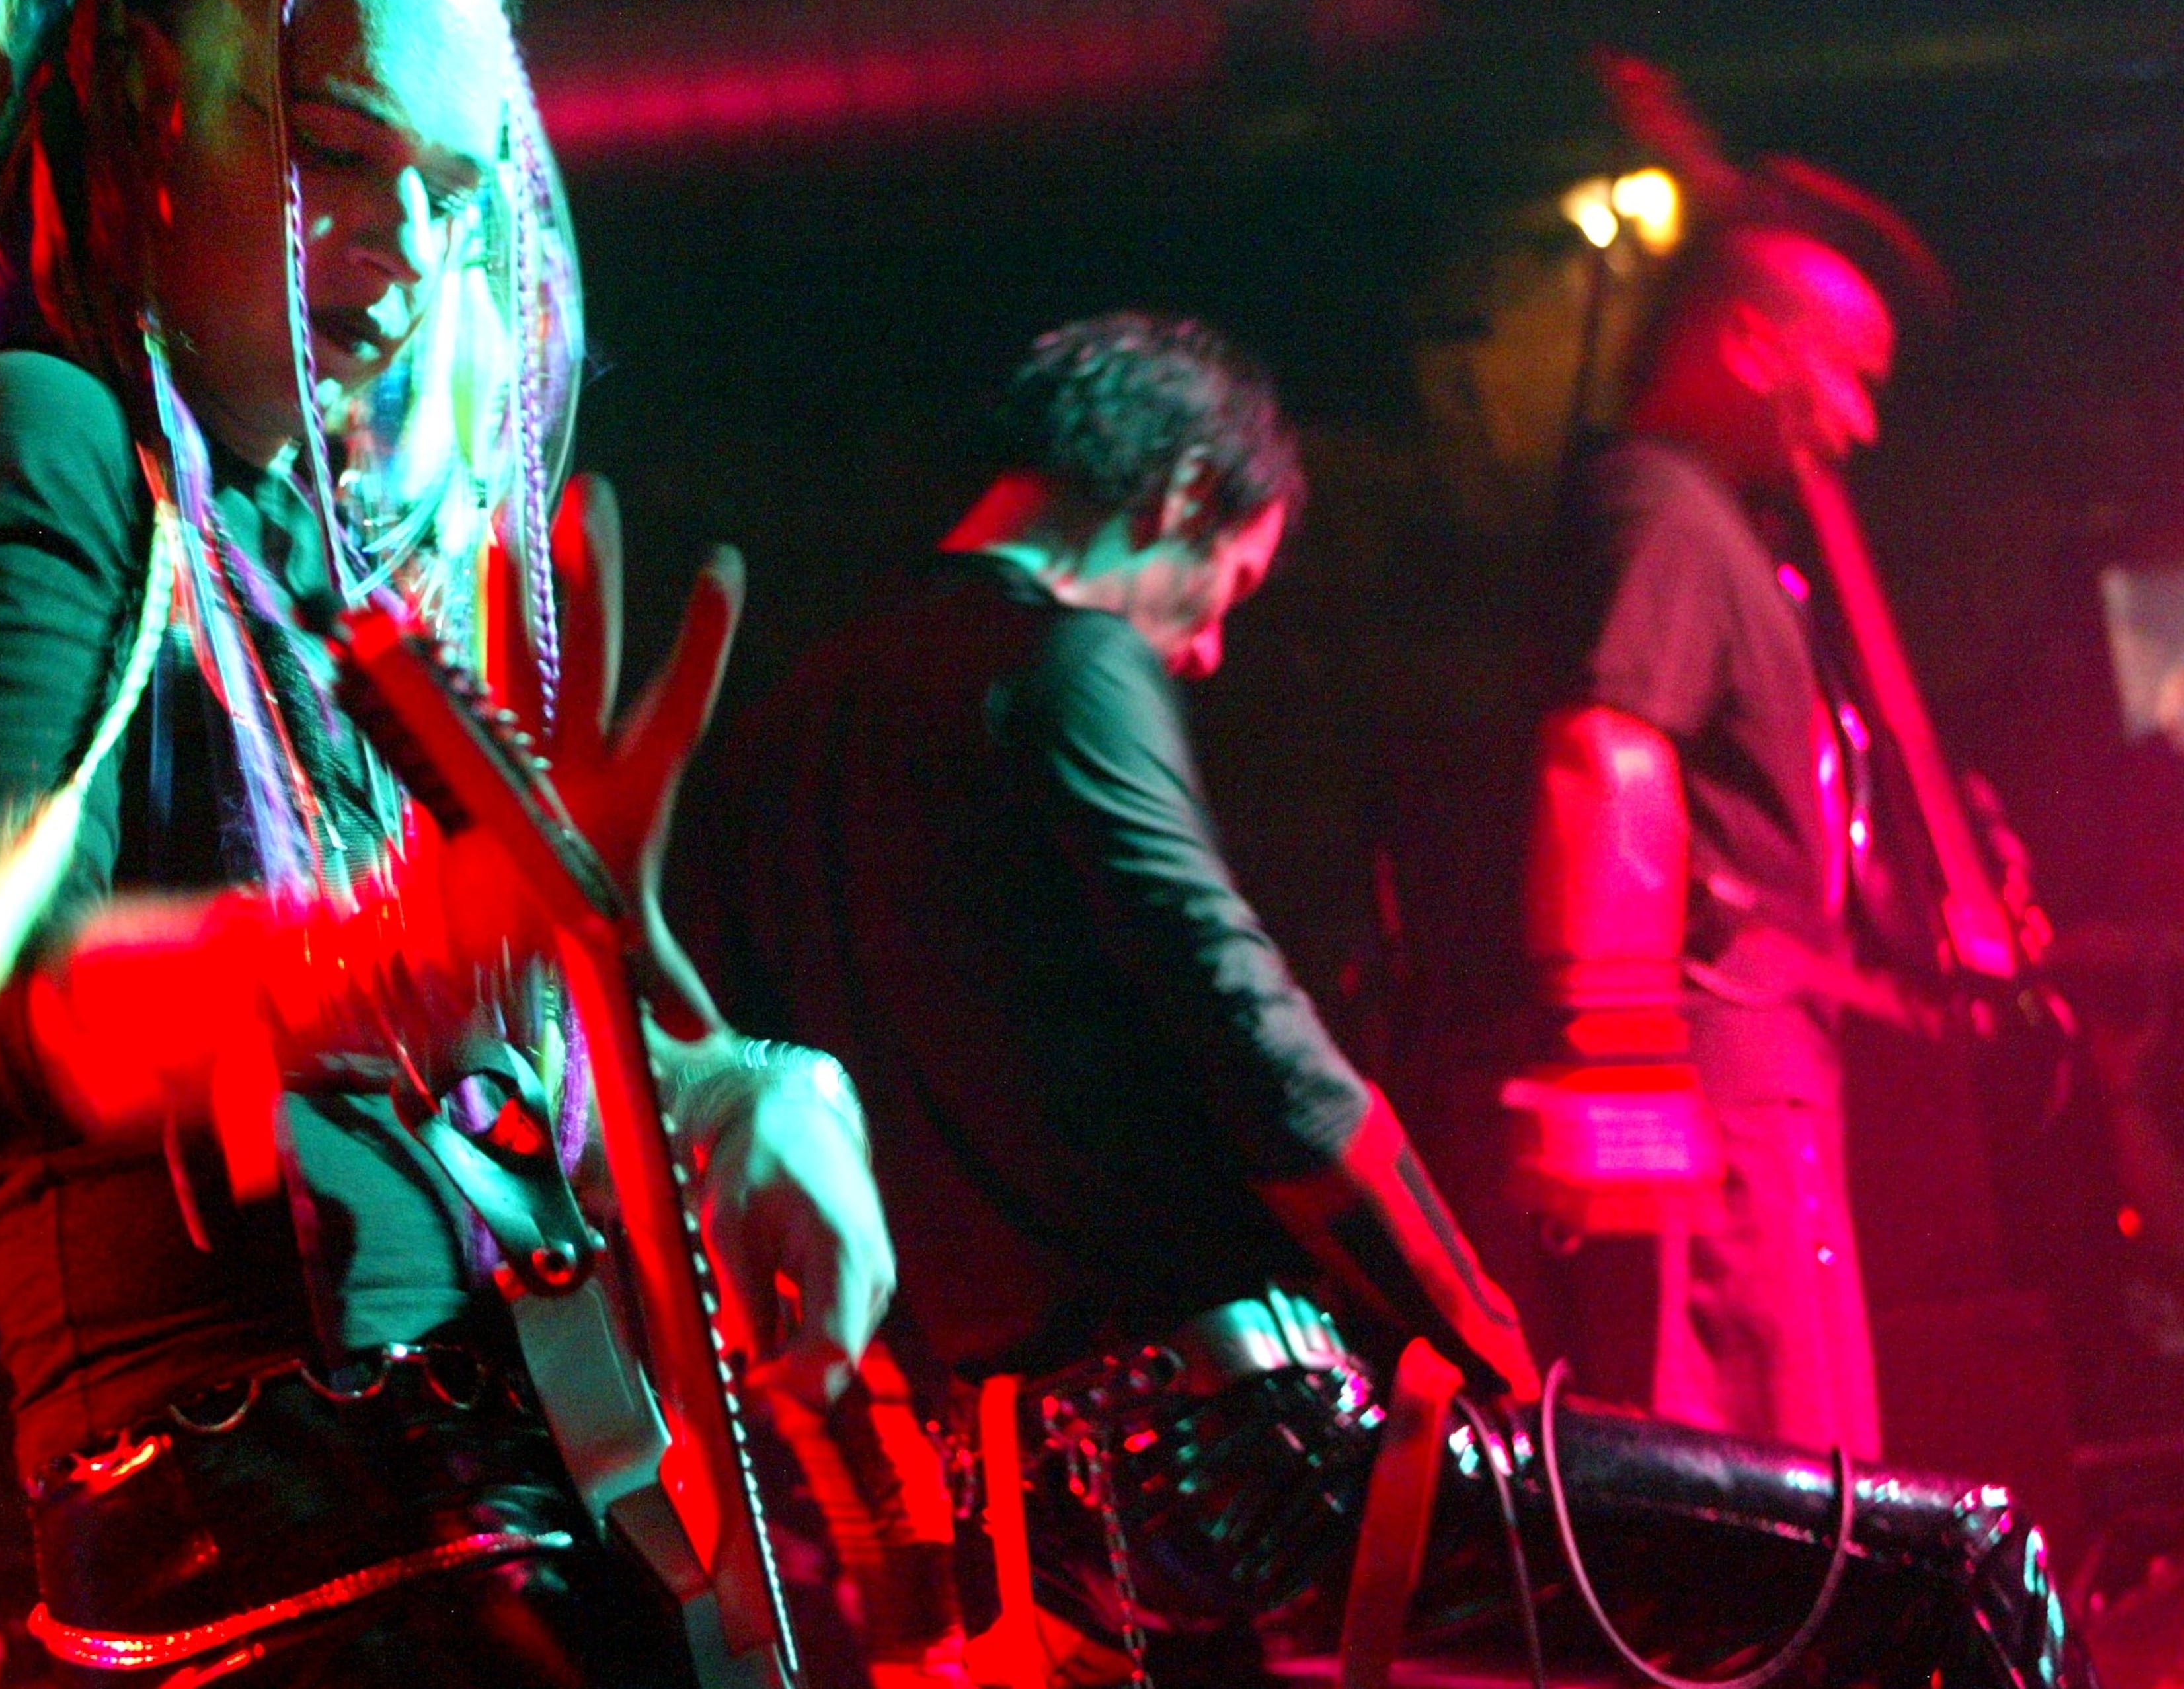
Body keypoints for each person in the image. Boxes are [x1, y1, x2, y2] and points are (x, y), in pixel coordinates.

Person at [0, 0, 891, 1683]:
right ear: (140, 105)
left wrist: (737, 1095)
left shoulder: (308, 566)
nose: (409, 245)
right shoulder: (37, 432)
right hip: (302, 1568)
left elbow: (492, 1055)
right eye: (341, 151)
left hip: (472, 1518)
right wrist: (388, 961)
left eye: (450, 187)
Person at [686, 314, 2089, 1688]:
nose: (1209, 651)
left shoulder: (780, 735)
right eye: (1226, 588)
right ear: (1180, 492)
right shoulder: (1066, 660)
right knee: (1966, 1567)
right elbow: (1259, 1043)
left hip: (1035, 1520)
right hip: (1250, 1459)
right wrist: (1486, 1343)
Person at [1520, 173, 1937, 1460]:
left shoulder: (1705, 524)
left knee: (1787, 1453)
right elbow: (1607, 756)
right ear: (1749, 343)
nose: (1860, 423)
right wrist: (1620, 1064)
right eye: (1849, 375)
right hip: (1718, 1087)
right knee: (1752, 1458)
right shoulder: (1664, 512)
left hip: (1752, 1079)